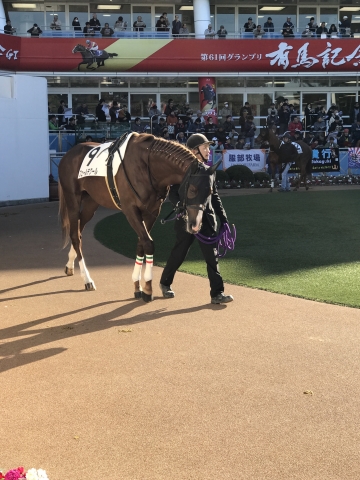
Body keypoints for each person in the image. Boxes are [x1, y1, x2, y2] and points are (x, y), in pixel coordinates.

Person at [159, 133, 233, 305]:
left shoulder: (209, 171)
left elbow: (215, 198)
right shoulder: (182, 171)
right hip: (187, 220)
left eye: (208, 147)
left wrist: (224, 220)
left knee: (211, 258)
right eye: (205, 147)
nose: (209, 150)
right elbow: (173, 193)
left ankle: (217, 293)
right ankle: (165, 283)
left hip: (206, 221)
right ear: (194, 151)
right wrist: (180, 207)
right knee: (179, 253)